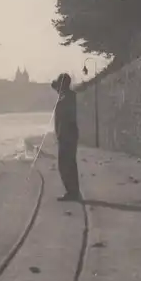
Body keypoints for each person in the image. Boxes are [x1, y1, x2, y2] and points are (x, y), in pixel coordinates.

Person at [51, 73, 81, 201]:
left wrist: (59, 134)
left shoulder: (66, 99)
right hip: (68, 135)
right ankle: (73, 191)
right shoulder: (68, 96)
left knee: (65, 164)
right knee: (69, 164)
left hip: (66, 135)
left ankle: (72, 192)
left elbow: (64, 115)